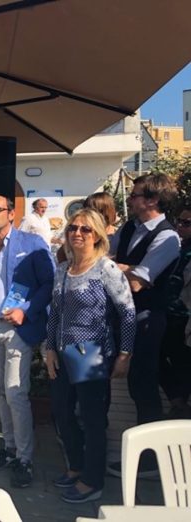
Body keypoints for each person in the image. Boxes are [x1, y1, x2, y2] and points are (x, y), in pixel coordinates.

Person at [45, 209, 135, 503]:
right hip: (62, 351)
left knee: (92, 418)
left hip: (91, 352)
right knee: (61, 412)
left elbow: (127, 312)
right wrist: (49, 348)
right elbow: (55, 313)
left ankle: (92, 480)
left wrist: (125, 353)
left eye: (86, 229)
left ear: (97, 235)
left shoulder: (105, 269)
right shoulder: (63, 269)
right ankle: (75, 466)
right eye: (73, 228)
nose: (78, 233)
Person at [0, 194, 54, 488]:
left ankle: (25, 458)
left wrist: (26, 310)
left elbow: (49, 283)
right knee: (2, 393)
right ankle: (9, 447)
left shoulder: (31, 244)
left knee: (16, 393)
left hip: (17, 327)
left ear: (11, 213)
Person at [108, 173, 180, 476]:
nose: (130, 199)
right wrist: (124, 267)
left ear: (152, 200)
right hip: (122, 315)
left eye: (135, 195)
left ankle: (150, 460)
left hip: (147, 319)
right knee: (132, 384)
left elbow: (138, 282)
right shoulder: (130, 227)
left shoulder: (168, 237)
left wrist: (118, 267)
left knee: (144, 385)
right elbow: (104, 257)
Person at [159, 207, 191, 418]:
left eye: (187, 223)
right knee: (160, 356)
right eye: (179, 221)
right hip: (168, 312)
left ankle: (180, 405)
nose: (180, 225)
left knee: (182, 362)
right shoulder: (179, 246)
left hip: (184, 316)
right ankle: (177, 400)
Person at [57, 192, 118, 264]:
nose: (86, 213)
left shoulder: (118, 235)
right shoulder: (78, 231)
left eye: (91, 210)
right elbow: (61, 254)